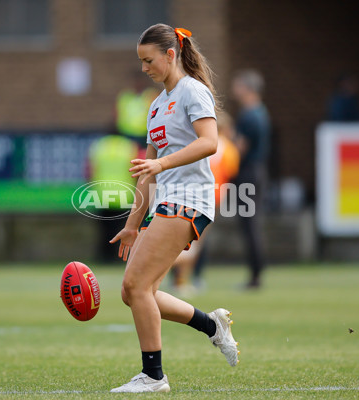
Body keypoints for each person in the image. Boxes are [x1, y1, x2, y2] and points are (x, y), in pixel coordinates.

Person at [108, 24, 239, 393]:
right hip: (165, 201)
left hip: (190, 200)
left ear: (170, 55)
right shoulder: (155, 107)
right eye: (140, 62)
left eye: (149, 60)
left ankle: (154, 376)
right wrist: (133, 224)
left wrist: (162, 166)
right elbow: (146, 176)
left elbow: (210, 142)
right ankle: (212, 326)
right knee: (134, 292)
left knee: (136, 286)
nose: (144, 68)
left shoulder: (192, 91)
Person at [171, 111, 240, 295]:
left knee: (187, 241)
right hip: (210, 200)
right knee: (194, 245)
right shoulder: (227, 147)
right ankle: (165, 270)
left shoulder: (198, 144)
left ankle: (179, 280)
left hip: (190, 195)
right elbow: (231, 171)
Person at [231, 69, 271, 289]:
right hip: (257, 172)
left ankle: (255, 276)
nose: (234, 90)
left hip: (248, 174)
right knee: (252, 223)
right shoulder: (261, 112)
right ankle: (256, 274)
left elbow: (239, 149)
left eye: (238, 86)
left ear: (247, 88)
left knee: (250, 225)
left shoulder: (249, 115)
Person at [87, 133, 140, 262]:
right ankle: (120, 257)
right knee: (122, 227)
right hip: (123, 193)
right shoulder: (129, 146)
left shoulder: (99, 146)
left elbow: (91, 169)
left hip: (102, 193)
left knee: (104, 229)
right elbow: (136, 169)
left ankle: (104, 257)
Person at [114, 71, 159, 145]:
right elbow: (117, 114)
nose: (137, 84)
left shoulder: (151, 95)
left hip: (145, 135)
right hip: (126, 134)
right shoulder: (125, 96)